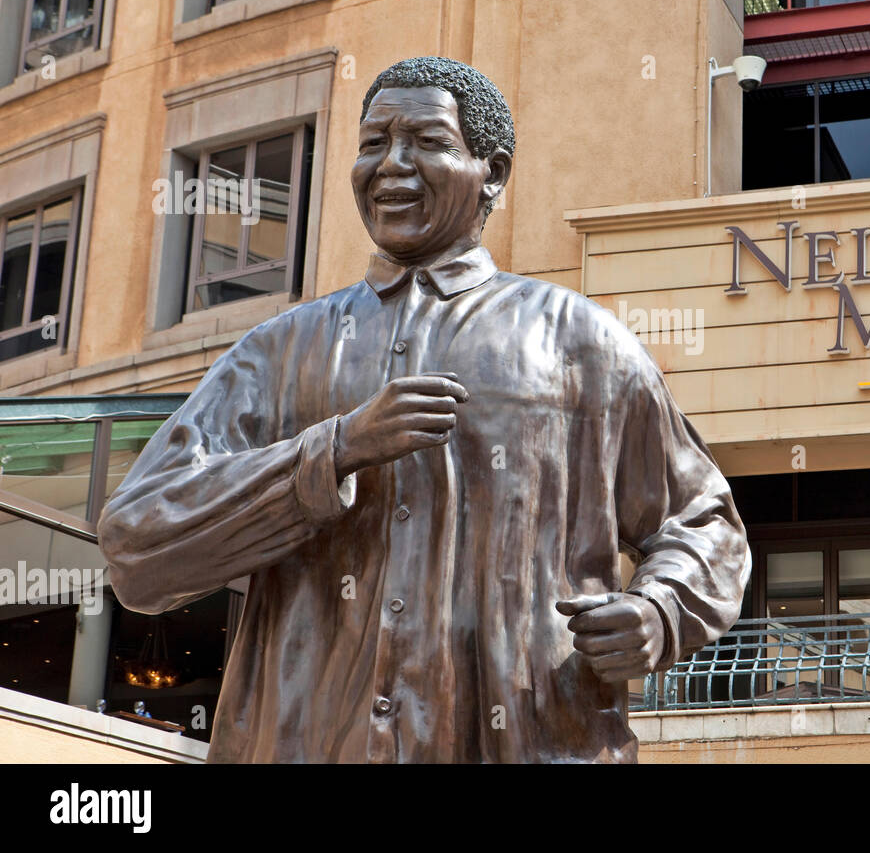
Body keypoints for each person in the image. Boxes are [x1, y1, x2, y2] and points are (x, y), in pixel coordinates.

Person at [98, 57, 750, 762]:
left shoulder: (582, 343)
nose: (391, 166)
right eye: (374, 143)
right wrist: (333, 451)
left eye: (426, 143)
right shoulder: (280, 352)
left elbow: (703, 521)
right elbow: (137, 546)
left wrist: (659, 611)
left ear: (491, 172)